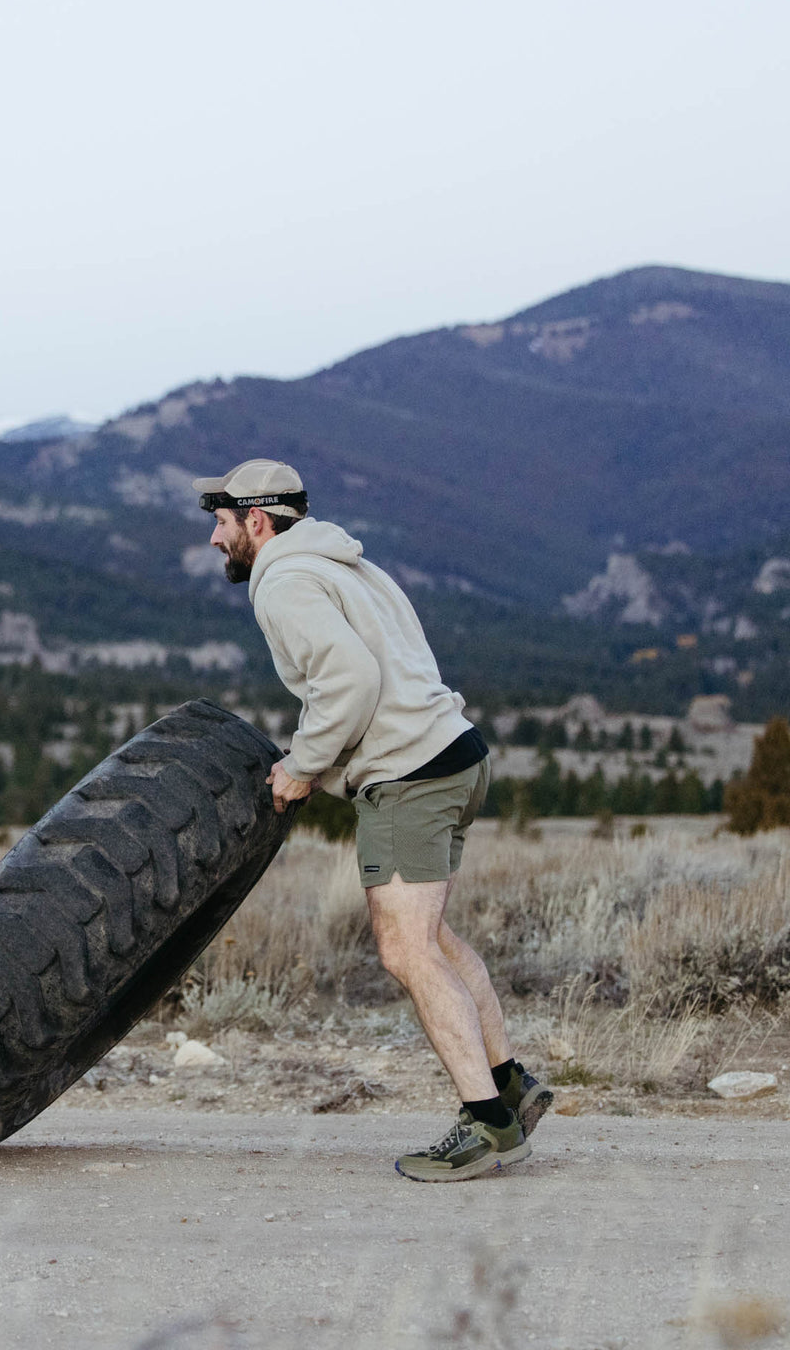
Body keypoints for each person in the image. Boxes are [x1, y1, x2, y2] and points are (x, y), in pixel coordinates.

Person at [193, 458, 552, 1182]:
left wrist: (302, 765)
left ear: (256, 521)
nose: (214, 540)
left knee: (406, 951)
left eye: (222, 524)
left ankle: (487, 1127)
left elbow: (350, 680)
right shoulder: (346, 563)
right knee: (436, 938)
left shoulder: (287, 582)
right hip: (454, 753)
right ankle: (509, 1085)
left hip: (411, 777)